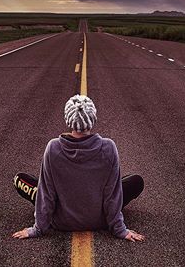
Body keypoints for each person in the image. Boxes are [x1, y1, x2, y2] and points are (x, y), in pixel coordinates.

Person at [11, 94, 145, 242]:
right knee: (134, 181)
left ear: (68, 119)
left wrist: (37, 229)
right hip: (99, 221)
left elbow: (47, 194)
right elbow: (112, 195)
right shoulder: (108, 148)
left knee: (21, 179)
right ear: (92, 118)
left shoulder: (53, 148)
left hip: (61, 222)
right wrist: (120, 230)